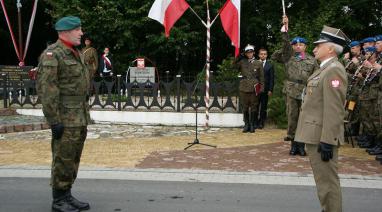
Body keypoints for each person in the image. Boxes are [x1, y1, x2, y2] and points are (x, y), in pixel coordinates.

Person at [36, 16, 91, 212]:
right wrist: (54, 120)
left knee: (73, 158)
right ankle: (58, 200)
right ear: (65, 32)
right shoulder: (53, 54)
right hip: (65, 118)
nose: (81, 33)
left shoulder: (75, 52)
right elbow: (47, 90)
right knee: (62, 158)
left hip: (79, 116)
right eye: (78, 30)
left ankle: (67, 195)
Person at [295, 25, 349, 212]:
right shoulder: (324, 69)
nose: (314, 48)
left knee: (327, 184)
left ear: (331, 48)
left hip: (321, 137)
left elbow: (334, 109)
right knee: (323, 183)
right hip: (315, 134)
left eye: (319, 45)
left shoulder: (334, 70)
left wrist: (327, 140)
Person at [271, 15, 318, 156]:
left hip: (306, 91)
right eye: (295, 44)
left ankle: (301, 145)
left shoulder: (312, 60)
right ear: (292, 46)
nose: (298, 46)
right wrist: (285, 29)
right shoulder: (288, 56)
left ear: (305, 46)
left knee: (304, 118)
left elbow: (317, 76)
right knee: (292, 117)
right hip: (291, 90)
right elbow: (283, 48)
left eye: (301, 44)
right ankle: (293, 144)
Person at [235, 44, 264, 133]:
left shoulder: (258, 63)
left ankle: (252, 124)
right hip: (244, 87)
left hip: (254, 87)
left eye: (251, 52)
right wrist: (238, 57)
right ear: (246, 54)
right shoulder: (242, 62)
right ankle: (246, 124)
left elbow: (262, 77)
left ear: (253, 53)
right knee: (245, 107)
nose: (249, 54)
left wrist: (262, 87)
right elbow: (233, 67)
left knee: (254, 107)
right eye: (247, 53)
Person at [257, 48, 274, 129]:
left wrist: (270, 89)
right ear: (259, 55)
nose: (263, 55)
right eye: (261, 54)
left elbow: (271, 78)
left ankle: (261, 122)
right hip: (256, 88)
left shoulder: (270, 65)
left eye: (264, 54)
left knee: (263, 107)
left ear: (266, 55)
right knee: (255, 106)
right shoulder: (255, 63)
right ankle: (254, 122)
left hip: (265, 89)